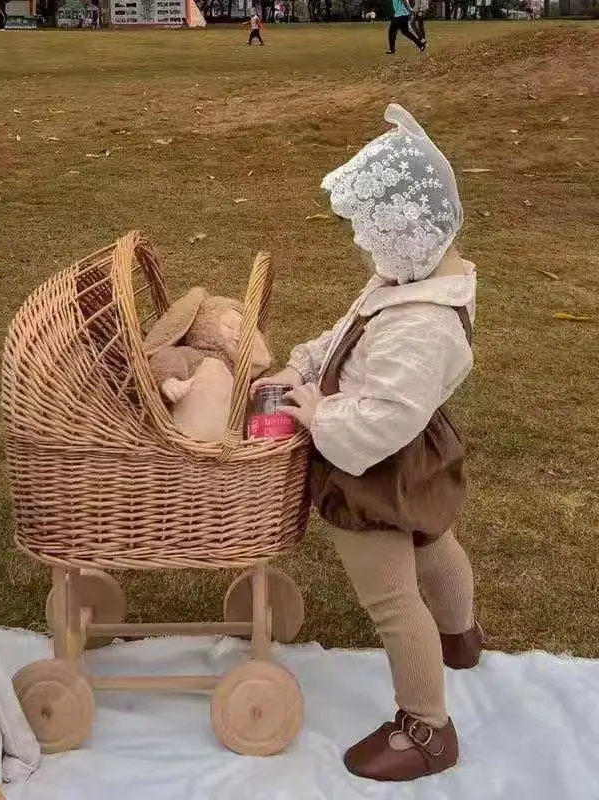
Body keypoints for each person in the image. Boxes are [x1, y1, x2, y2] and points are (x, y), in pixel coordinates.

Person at [251, 104, 482, 782]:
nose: (366, 249)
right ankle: (460, 639)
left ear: (414, 231)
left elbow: (381, 419)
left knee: (391, 594)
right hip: (413, 455)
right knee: (435, 543)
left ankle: (427, 726)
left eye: (376, 234)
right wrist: (303, 364)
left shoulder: (426, 326)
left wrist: (320, 413)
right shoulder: (410, 281)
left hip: (376, 467)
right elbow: (346, 332)